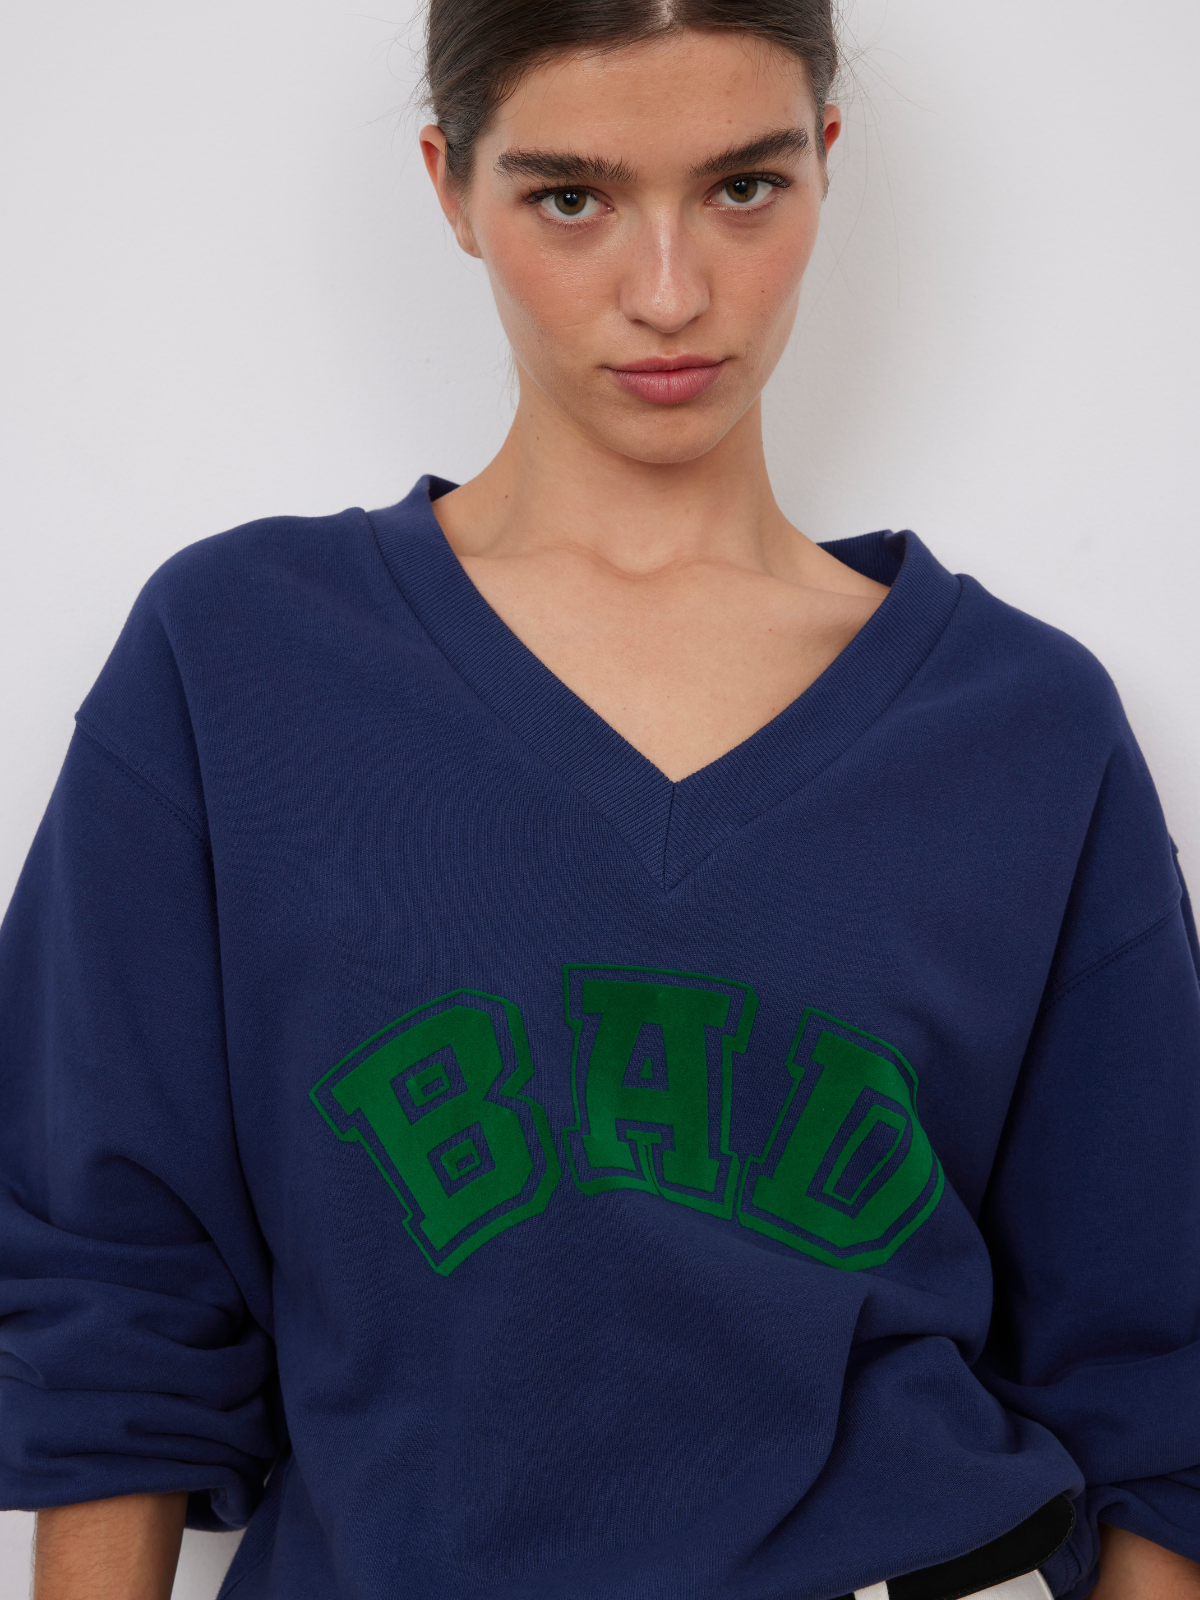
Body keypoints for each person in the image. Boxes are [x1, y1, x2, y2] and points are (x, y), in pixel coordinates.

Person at [2, 1, 1198, 1596]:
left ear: (826, 165)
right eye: (572, 198)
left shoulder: (1022, 730)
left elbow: (1155, 1361)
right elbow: (108, 1280)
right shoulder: (239, 660)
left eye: (744, 188)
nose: (670, 291)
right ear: (451, 185)